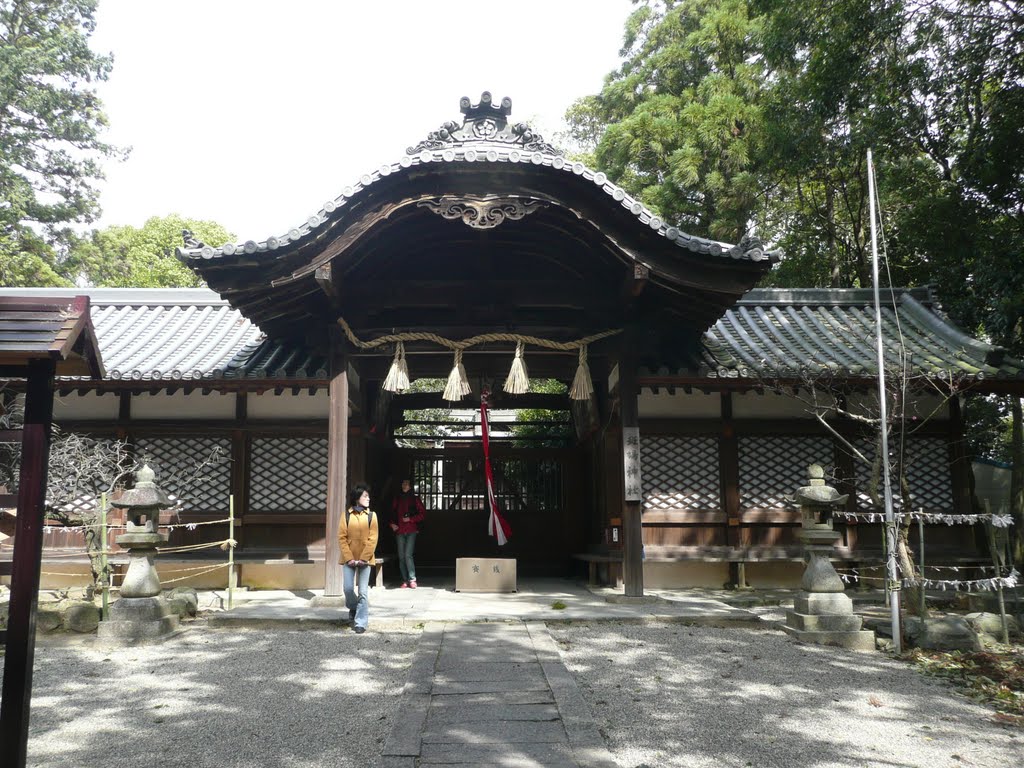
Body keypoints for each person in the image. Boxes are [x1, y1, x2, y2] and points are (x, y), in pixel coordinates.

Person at [338, 483, 378, 634]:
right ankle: (354, 608)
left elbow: (373, 539)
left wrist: (364, 558)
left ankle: (361, 622)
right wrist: (349, 558)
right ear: (357, 498)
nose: (368, 498)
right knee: (348, 589)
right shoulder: (346, 515)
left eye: (368, 496)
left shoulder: (372, 516)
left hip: (365, 559)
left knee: (363, 592)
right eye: (365, 496)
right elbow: (341, 538)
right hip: (349, 558)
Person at [390, 478, 425, 588]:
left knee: (408, 555)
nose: (404, 485)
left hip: (411, 530)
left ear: (410, 486)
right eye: (403, 483)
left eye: (407, 484)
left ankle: (412, 579)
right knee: (401, 556)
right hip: (399, 530)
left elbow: (422, 514)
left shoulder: (415, 499)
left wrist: (410, 519)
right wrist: (391, 524)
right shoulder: (397, 499)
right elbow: (391, 513)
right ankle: (404, 580)